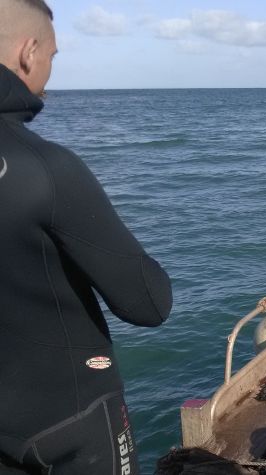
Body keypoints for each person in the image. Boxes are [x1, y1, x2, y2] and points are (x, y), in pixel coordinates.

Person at [0, 1, 173, 473]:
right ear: (28, 53)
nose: (50, 72)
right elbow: (148, 303)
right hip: (63, 419)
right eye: (53, 57)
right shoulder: (46, 168)